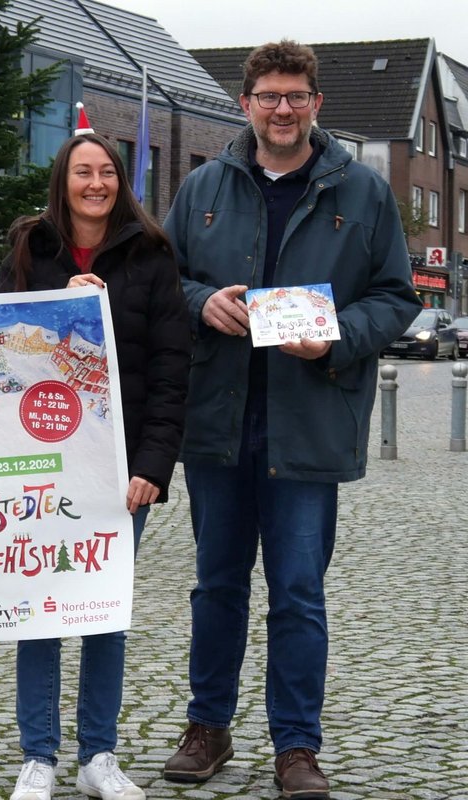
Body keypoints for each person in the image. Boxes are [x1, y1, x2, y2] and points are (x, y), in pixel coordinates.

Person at [160, 40, 421, 800]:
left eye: (295, 96)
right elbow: (162, 278)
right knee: (215, 586)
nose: (282, 108)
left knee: (298, 592)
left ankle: (296, 748)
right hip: (218, 423)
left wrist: (337, 337)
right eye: (269, 96)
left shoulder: (363, 193)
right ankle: (206, 728)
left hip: (307, 423)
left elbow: (397, 298)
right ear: (245, 104)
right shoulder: (205, 184)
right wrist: (197, 303)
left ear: (316, 104)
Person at [0, 132, 191, 800]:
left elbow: (171, 367)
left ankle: (98, 756)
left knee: (104, 610)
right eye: (83, 172)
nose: (96, 183)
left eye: (107, 172)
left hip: (121, 469)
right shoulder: (31, 247)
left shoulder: (152, 253)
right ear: (63, 179)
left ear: (121, 181)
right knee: (40, 609)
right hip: (40, 462)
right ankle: (38, 756)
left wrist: (155, 466)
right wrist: (59, 306)